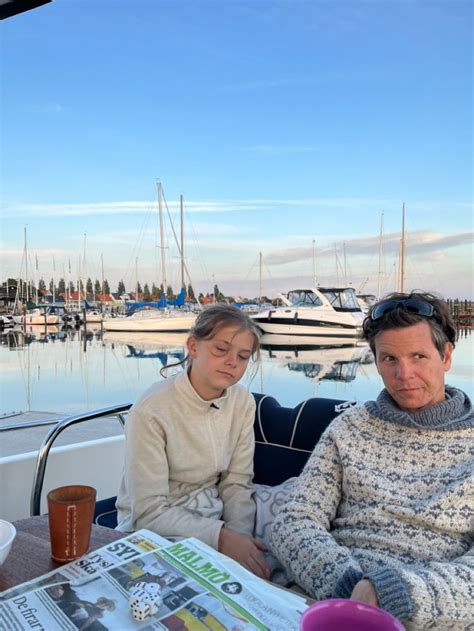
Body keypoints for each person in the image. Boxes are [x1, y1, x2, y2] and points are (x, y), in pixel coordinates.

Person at [270, 291, 473, 630]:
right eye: (389, 359)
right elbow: (294, 518)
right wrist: (349, 590)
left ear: (446, 356)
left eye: (419, 356)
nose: (403, 374)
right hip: (327, 601)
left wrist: (394, 594)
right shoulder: (349, 428)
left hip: (434, 617)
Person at [116, 305, 270, 579]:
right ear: (193, 347)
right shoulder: (150, 411)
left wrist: (239, 537)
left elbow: (236, 482)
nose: (232, 361)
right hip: (157, 521)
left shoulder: (242, 402)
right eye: (221, 350)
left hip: (215, 509)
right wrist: (221, 538)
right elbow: (148, 511)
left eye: (243, 356)